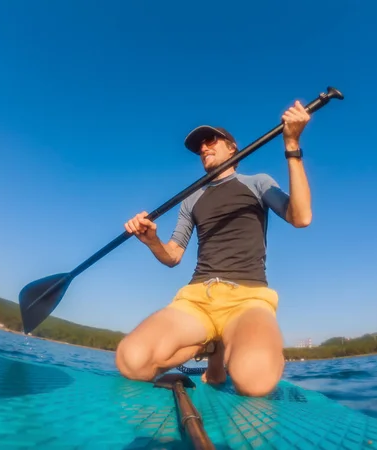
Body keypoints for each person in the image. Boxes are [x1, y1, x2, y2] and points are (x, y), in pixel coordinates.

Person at [115, 100, 312, 397]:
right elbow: (173, 256)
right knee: (131, 361)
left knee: (254, 381)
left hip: (248, 299)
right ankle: (210, 344)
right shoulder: (191, 199)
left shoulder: (258, 182)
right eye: (199, 147)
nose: (203, 148)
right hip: (197, 300)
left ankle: (229, 349)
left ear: (232, 148)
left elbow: (301, 217)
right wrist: (151, 240)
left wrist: (292, 145)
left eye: (211, 140)